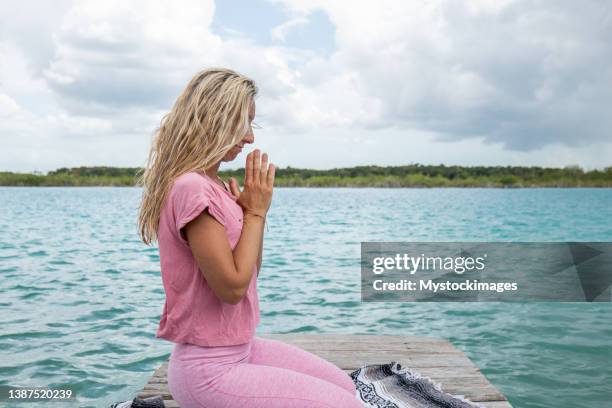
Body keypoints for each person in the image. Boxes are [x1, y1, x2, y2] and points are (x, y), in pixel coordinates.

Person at [137, 68, 362, 407]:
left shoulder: (212, 186)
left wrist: (252, 215)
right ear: (214, 119)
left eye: (252, 126)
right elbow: (231, 289)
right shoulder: (192, 188)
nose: (249, 138)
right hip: (209, 370)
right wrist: (254, 214)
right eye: (243, 123)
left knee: (347, 389)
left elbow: (250, 269)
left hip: (242, 349)